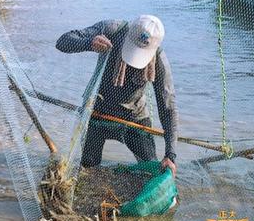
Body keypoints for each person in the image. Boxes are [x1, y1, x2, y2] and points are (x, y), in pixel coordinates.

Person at [56, 15, 178, 176]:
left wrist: (170, 155)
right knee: (88, 169)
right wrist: (89, 43)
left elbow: (168, 107)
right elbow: (62, 42)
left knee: (150, 169)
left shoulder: (159, 59)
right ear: (128, 35)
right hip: (97, 113)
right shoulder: (111, 30)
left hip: (135, 119)